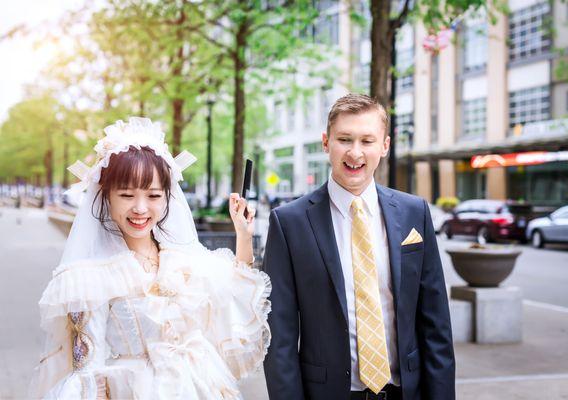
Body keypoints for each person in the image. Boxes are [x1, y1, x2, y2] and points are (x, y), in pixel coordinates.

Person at [30, 117, 271, 399]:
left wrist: (243, 234)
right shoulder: (88, 277)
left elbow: (233, 296)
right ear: (107, 196)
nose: (141, 208)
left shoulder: (181, 260)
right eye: (127, 194)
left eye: (154, 195)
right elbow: (86, 370)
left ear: (168, 197)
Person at [263, 94, 455, 400]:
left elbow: (436, 326)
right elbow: (280, 338)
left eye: (367, 140)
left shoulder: (414, 213)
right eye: (344, 139)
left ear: (385, 146)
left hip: (405, 392)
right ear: (326, 143)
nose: (355, 152)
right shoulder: (289, 223)